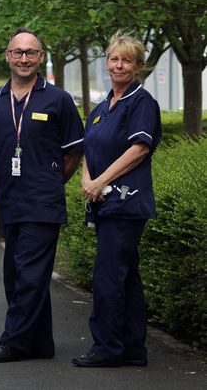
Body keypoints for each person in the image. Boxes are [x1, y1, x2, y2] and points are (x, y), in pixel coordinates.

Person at [0, 28, 84, 363]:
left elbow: (73, 153)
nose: (24, 58)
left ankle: (14, 342)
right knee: (16, 274)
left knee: (30, 273)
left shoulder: (59, 100)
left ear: (41, 57)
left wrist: (50, 180)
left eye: (31, 52)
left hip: (43, 202)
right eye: (17, 52)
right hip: (10, 201)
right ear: (7, 56)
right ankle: (40, 342)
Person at [72, 34, 161, 368]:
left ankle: (107, 348)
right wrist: (86, 178)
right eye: (113, 59)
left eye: (126, 60)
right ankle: (133, 348)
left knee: (108, 276)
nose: (118, 65)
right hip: (104, 202)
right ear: (106, 62)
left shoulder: (142, 103)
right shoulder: (102, 106)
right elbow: (89, 147)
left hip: (126, 205)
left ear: (137, 66)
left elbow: (138, 149)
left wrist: (101, 181)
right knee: (126, 275)